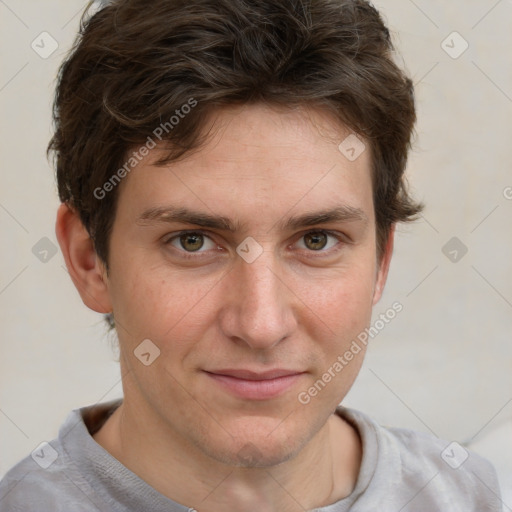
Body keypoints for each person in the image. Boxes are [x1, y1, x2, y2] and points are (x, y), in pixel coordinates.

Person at [0, 0, 503, 510]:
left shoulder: (471, 496)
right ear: (90, 260)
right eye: (192, 241)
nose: (261, 325)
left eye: (316, 240)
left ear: (382, 261)